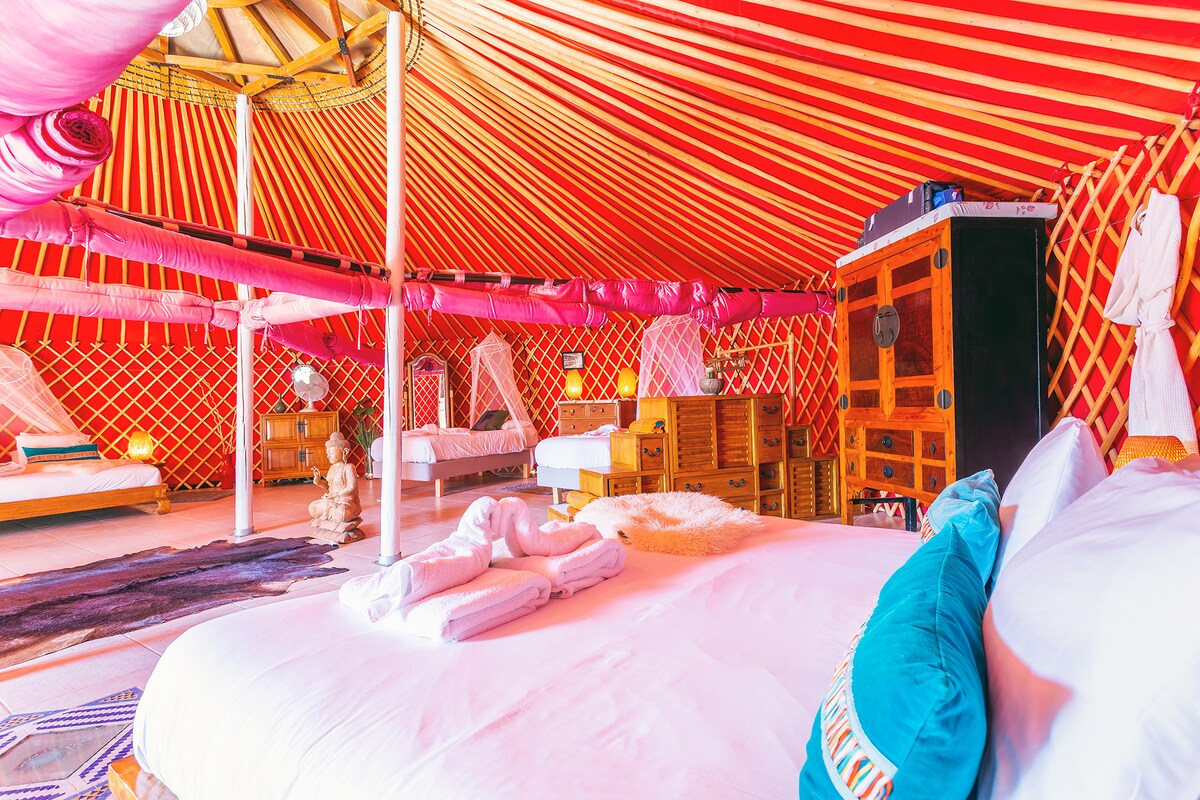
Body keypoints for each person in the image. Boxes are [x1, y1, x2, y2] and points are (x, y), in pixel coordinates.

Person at [309, 431, 364, 542]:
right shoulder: (332, 468)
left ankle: (335, 518)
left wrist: (335, 495)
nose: (328, 455)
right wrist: (318, 481)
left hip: (346, 503)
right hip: (332, 502)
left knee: (343, 512)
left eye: (331, 452)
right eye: (327, 453)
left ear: (344, 451)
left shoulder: (349, 467)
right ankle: (331, 516)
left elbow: (351, 487)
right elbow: (329, 487)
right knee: (313, 507)